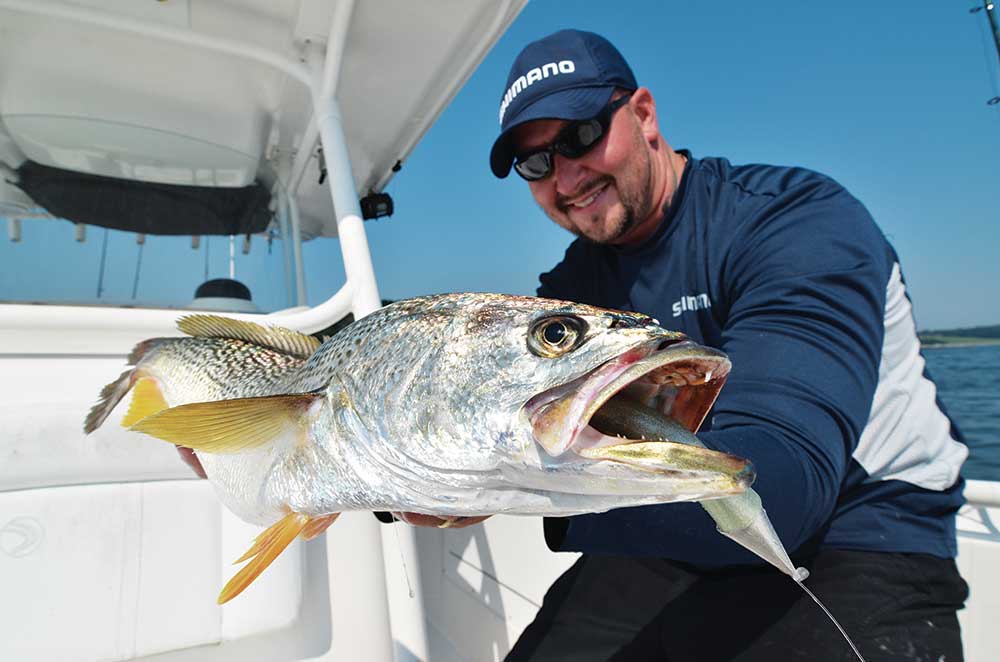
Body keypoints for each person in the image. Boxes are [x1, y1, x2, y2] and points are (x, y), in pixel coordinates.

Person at [476, 29, 969, 661]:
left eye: (579, 136)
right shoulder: (573, 289)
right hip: (676, 528)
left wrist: (506, 484)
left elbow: (784, 486)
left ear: (644, 115)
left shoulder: (796, 220)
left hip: (860, 528)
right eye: (535, 162)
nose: (565, 175)